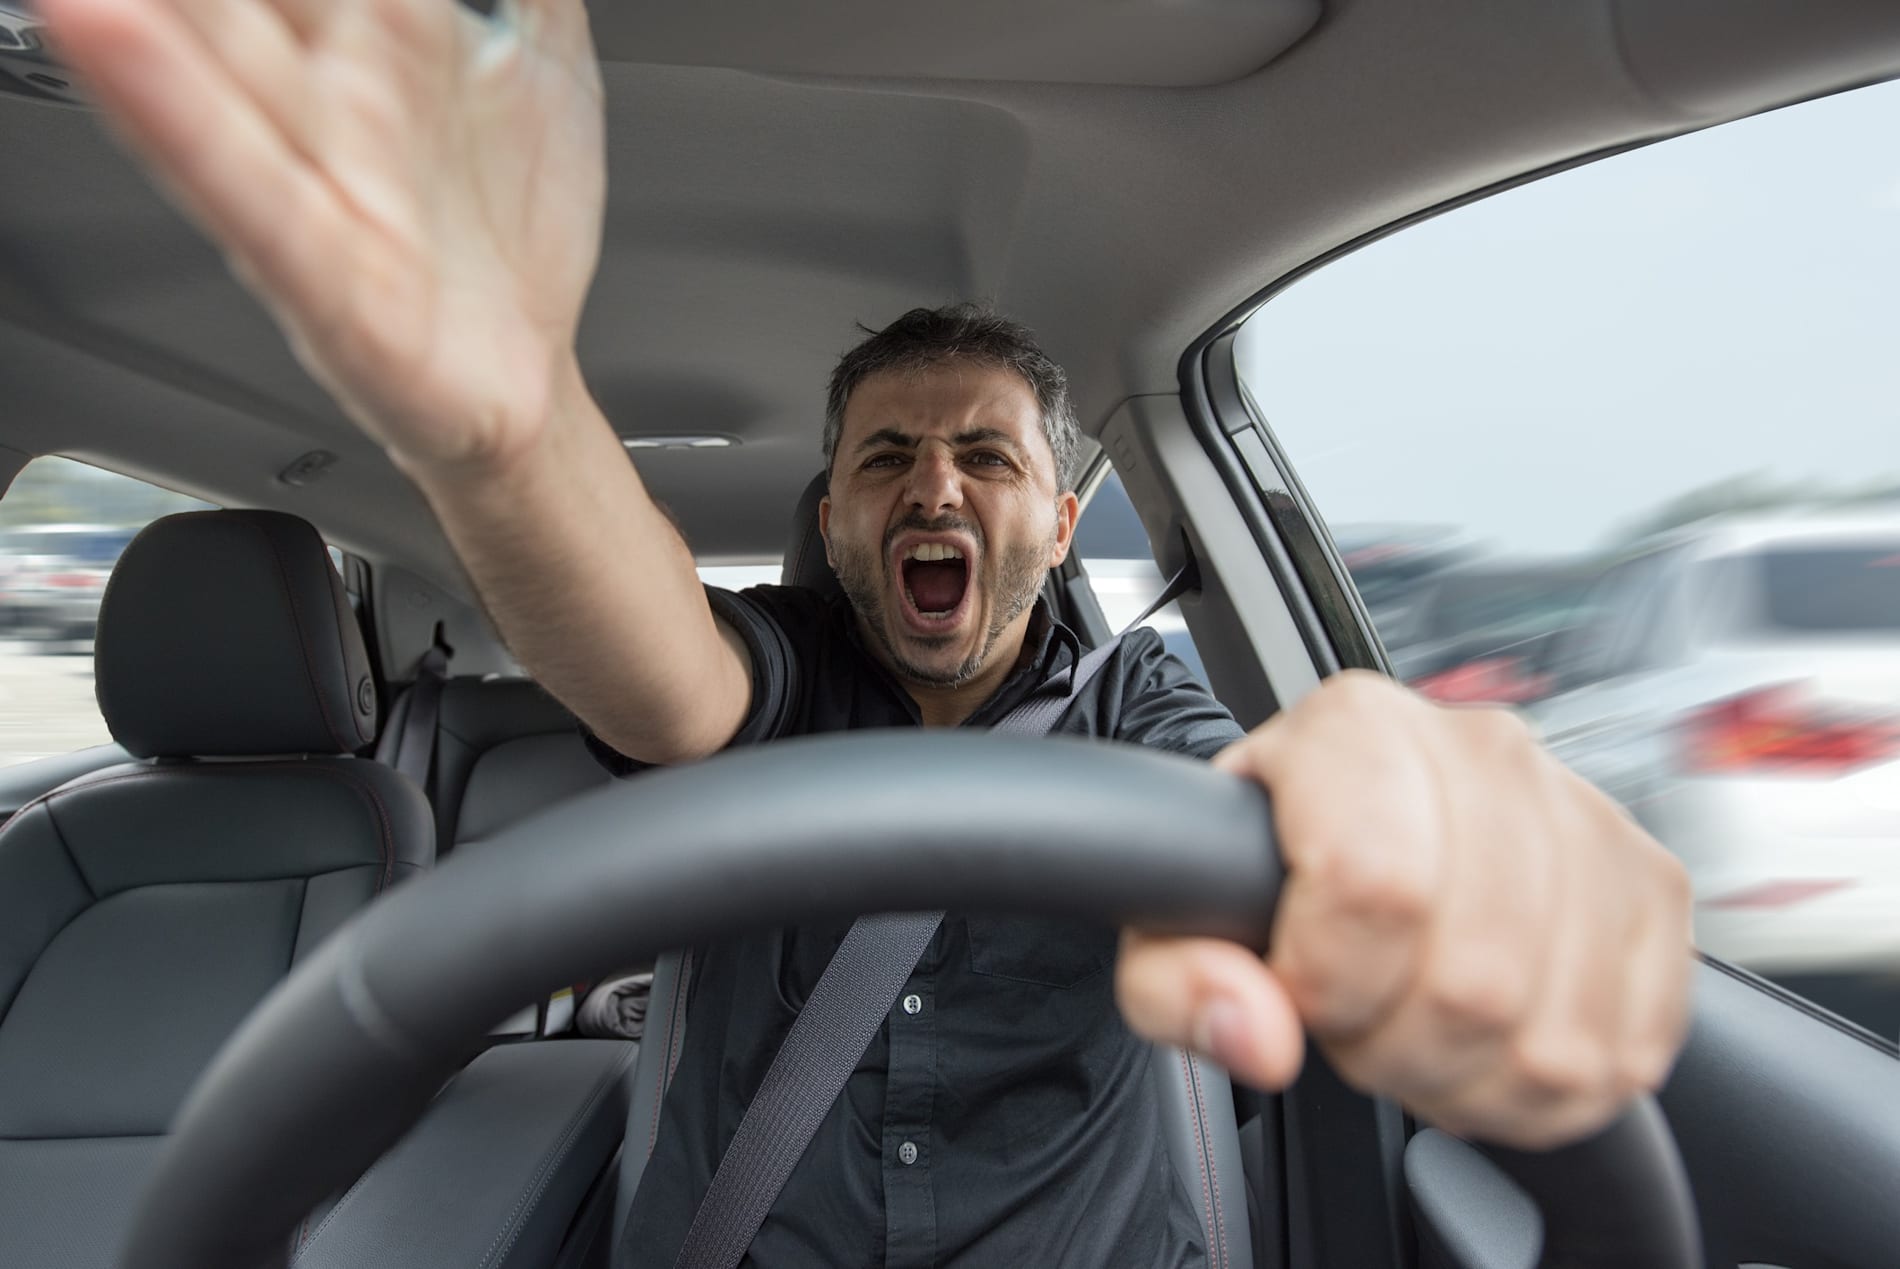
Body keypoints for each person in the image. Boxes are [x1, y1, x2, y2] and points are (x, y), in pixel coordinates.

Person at [39, 0, 1694, 1264]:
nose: (937, 491)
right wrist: (509, 429)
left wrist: (1385, 801)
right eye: (887, 459)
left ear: (1058, 520)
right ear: (832, 519)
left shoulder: (1136, 697)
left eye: (988, 457)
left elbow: (1260, 789)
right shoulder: (783, 679)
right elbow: (658, 666)